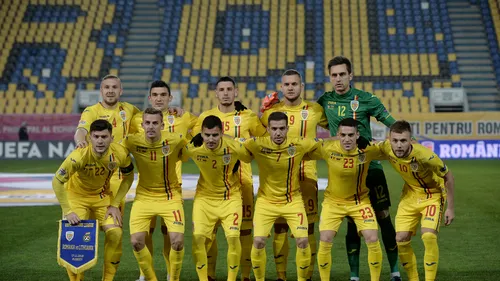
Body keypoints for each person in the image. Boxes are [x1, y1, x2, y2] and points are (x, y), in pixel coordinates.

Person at [317, 56, 401, 281]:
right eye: (334, 75)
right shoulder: (324, 100)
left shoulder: (366, 99)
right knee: (353, 222)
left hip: (370, 166)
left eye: (342, 74)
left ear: (350, 75)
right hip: (344, 167)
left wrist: (406, 140)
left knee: (383, 216)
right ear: (330, 77)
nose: (338, 79)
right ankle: (354, 275)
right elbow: (300, 117)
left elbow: (391, 122)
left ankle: (395, 271)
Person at [192, 76, 267, 281]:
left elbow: (263, 139)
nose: (225, 93)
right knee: (210, 234)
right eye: (221, 89)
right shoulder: (206, 117)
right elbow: (193, 138)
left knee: (243, 232)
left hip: (242, 181)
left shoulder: (248, 116)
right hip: (213, 182)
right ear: (216, 93)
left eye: (229, 89)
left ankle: (244, 276)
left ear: (236, 92)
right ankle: (209, 275)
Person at [260, 69, 329, 281]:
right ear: (281, 87)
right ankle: (281, 276)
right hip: (279, 177)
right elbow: (257, 130)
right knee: (279, 228)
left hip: (307, 174)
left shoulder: (316, 109)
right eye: (287, 84)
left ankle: (306, 276)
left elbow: (336, 126)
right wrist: (260, 110)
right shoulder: (272, 112)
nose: (290, 87)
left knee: (307, 229)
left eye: (294, 84)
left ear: (302, 87)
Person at [129, 80, 198, 281]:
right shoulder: (136, 120)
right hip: (146, 187)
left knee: (170, 234)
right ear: (149, 98)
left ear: (170, 98)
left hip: (173, 186)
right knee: (145, 233)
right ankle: (145, 274)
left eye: (163, 95)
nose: (159, 98)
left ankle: (170, 273)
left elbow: (203, 125)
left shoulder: (183, 118)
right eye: (155, 95)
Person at [242, 112, 321, 281]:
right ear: (268, 129)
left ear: (287, 129)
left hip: (292, 201)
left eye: (281, 129)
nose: (278, 133)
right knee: (258, 242)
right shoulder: (256, 144)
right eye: (274, 129)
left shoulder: (298, 143)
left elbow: (324, 144)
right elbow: (232, 143)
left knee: (302, 241)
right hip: (266, 202)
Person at [52, 119, 134, 281]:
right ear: (89, 137)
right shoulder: (78, 156)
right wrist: (68, 211)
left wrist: (115, 204)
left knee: (115, 233)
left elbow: (128, 177)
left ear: (111, 137)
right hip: (76, 199)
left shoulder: (120, 154)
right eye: (96, 136)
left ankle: (108, 279)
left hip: (102, 198)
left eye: (104, 136)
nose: (100, 141)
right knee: (74, 236)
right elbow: (57, 181)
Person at [307, 118, 384, 281]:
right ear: (337, 135)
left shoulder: (368, 149)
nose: (347, 139)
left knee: (372, 237)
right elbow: (302, 146)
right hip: (332, 203)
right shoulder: (327, 148)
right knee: (325, 238)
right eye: (343, 135)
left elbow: (392, 148)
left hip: (360, 202)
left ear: (357, 135)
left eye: (351, 135)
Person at [379, 121, 455, 281]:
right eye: (395, 140)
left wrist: (450, 208)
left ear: (410, 140)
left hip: (432, 194)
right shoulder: (386, 147)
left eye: (403, 141)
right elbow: (367, 148)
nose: (399, 145)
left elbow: (448, 176)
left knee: (428, 236)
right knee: (400, 239)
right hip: (410, 195)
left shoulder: (426, 156)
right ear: (389, 139)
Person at [182, 115, 253, 281]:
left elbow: (249, 157)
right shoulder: (194, 147)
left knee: (234, 238)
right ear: (202, 133)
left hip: (230, 199)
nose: (211, 139)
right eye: (207, 135)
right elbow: (180, 156)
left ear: (221, 133)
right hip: (204, 199)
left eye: (215, 135)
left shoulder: (233, 146)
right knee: (198, 238)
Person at [122, 108, 188, 281]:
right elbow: (112, 149)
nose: (151, 126)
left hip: (170, 197)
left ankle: (173, 278)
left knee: (177, 242)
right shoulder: (131, 141)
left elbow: (194, 151)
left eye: (155, 123)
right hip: (143, 197)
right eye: (148, 123)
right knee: (136, 242)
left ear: (162, 125)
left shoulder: (176, 139)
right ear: (142, 124)